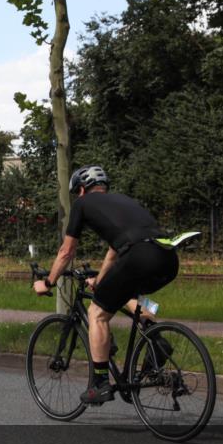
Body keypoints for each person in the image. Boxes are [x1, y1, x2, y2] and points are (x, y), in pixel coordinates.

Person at [33, 165, 178, 404]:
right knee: (128, 294)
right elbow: (113, 253)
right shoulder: (124, 202)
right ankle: (157, 340)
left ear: (82, 189)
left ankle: (99, 384)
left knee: (97, 313)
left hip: (138, 257)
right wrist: (100, 281)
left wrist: (48, 282)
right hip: (167, 257)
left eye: (77, 192)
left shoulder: (82, 204)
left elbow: (66, 251)